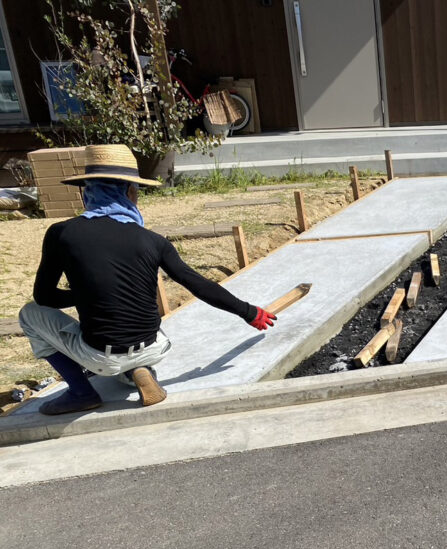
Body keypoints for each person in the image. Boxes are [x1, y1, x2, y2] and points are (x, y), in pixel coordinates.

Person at [18, 144, 277, 416]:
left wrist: (88, 294)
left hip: (101, 356)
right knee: (135, 325)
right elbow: (197, 284)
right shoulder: (153, 241)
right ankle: (138, 369)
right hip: (155, 348)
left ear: (87, 192)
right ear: (130, 193)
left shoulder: (62, 234)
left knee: (29, 314)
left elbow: (44, 298)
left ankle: (81, 392)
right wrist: (249, 312)